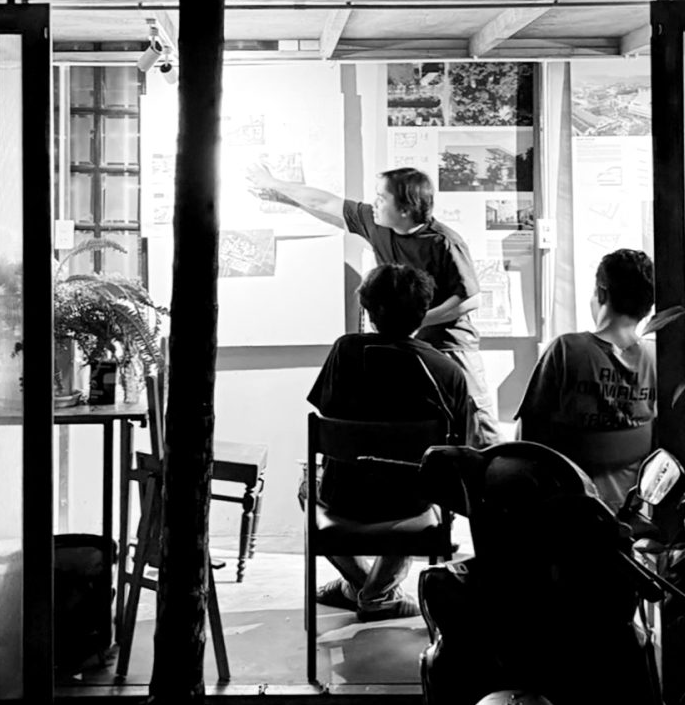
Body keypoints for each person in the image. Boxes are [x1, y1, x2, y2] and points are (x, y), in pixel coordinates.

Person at [247, 163, 502, 446]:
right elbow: (325, 203)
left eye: (382, 197)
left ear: (405, 208)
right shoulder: (377, 223)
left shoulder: (444, 242)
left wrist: (419, 320)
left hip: (448, 345)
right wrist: (277, 187)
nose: (375, 203)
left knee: (478, 429)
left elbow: (471, 298)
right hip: (403, 343)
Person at [303, 264, 475, 621]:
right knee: (424, 483)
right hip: (408, 503)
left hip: (343, 496)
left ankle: (362, 586)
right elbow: (458, 449)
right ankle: (375, 592)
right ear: (423, 311)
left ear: (368, 309)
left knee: (307, 487)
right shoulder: (447, 371)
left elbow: (327, 411)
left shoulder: (345, 351)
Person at [517, 248, 657, 509]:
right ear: (648, 307)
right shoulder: (656, 359)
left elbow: (528, 439)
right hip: (627, 513)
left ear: (601, 293)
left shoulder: (566, 351)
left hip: (565, 509)